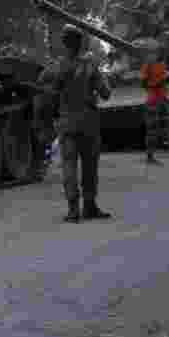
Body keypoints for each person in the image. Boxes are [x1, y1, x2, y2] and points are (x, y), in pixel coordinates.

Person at [37, 24, 113, 223]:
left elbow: (43, 84)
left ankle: (73, 209)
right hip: (88, 122)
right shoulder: (90, 65)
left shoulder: (56, 66)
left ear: (64, 44)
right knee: (90, 166)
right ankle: (90, 206)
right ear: (81, 44)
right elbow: (106, 94)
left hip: (67, 123)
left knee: (69, 166)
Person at [141, 46, 169, 165]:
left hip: (163, 98)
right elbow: (144, 82)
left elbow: (163, 78)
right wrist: (159, 82)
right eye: (160, 53)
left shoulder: (161, 64)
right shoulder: (149, 65)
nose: (162, 55)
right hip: (153, 100)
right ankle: (150, 157)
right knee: (152, 130)